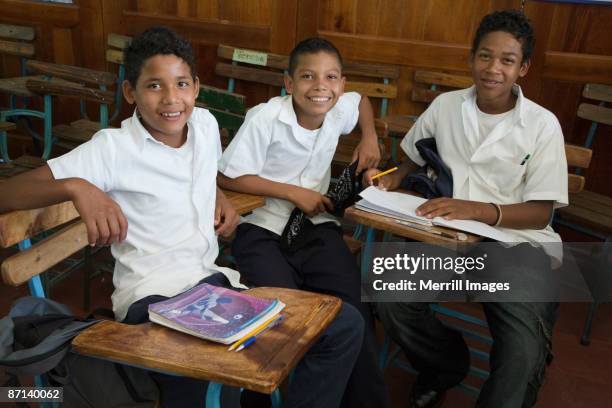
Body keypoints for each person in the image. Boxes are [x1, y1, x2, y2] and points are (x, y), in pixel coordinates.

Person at [0, 27, 364, 408]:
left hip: (214, 289)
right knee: (207, 377)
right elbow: (7, 193)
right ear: (130, 93)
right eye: (154, 86)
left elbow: (198, 171)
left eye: (182, 84)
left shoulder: (204, 125)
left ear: (196, 87)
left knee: (342, 326)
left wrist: (217, 194)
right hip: (152, 297)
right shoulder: (111, 149)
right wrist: (78, 187)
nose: (171, 99)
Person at [364, 10, 568, 408]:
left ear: (523, 67)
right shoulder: (446, 106)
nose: (493, 69)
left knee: (522, 353)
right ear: (471, 58)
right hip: (448, 243)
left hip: (516, 249)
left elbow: (541, 213)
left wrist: (477, 209)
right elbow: (411, 157)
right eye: (485, 56)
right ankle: (445, 365)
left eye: (507, 60)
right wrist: (392, 178)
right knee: (388, 294)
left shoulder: (543, 125)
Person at [218, 37, 390, 408]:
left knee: (354, 311)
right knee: (281, 315)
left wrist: (370, 137)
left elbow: (362, 102)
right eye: (308, 77)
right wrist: (292, 192)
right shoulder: (265, 118)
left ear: (340, 84)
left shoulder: (338, 107)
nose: (320, 86)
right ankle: (261, 397)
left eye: (331, 78)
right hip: (261, 228)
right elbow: (229, 178)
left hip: (315, 228)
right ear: (289, 83)